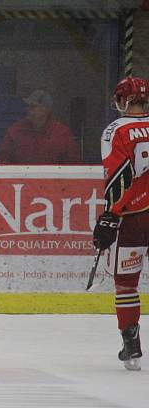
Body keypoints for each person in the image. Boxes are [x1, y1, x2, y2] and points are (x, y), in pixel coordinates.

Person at [92, 75, 149, 372]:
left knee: (126, 283)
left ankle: (132, 344)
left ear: (123, 100)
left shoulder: (116, 130)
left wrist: (110, 215)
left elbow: (120, 176)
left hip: (133, 217)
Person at [0, 89, 81, 164]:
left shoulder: (62, 134)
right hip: (21, 181)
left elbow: (73, 166)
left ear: (46, 109)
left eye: (33, 106)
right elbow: (2, 160)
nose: (28, 109)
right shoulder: (15, 130)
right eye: (27, 106)